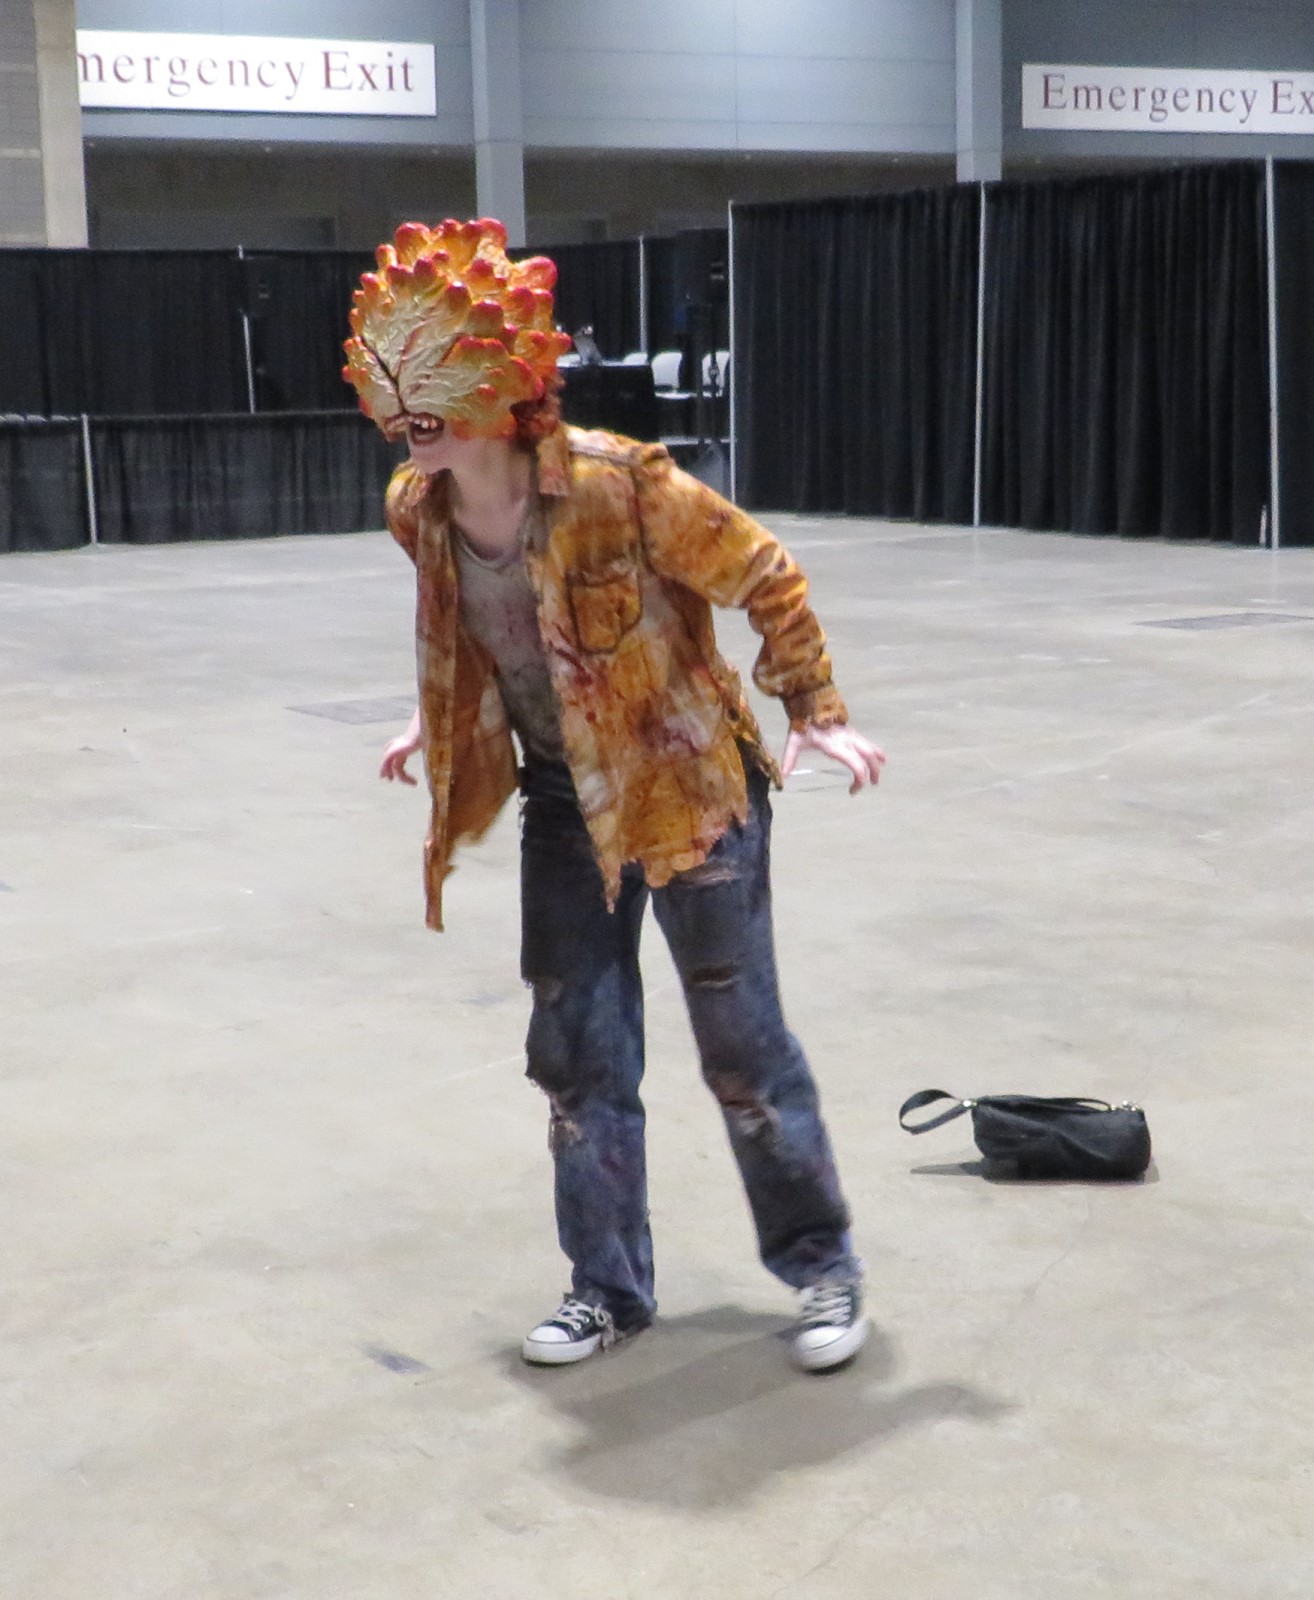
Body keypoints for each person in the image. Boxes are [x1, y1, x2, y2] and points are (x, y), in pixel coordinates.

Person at [344, 218, 885, 1373]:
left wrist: (814, 706)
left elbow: (764, 571)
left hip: (690, 790)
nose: (411, 406)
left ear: (501, 374)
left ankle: (822, 1267)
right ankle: (607, 1289)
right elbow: (478, 630)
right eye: (398, 379)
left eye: (435, 375)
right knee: (578, 1056)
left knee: (742, 1051)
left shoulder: (617, 486)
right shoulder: (415, 507)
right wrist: (437, 720)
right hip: (563, 801)